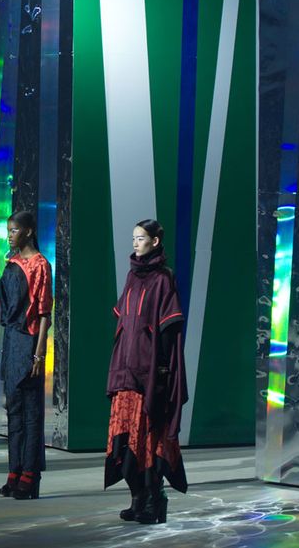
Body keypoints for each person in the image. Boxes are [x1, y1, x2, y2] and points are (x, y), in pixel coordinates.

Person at [105, 219, 188, 525]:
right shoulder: (131, 276)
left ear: (155, 241)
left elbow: (168, 328)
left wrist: (163, 371)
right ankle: (137, 497)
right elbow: (123, 324)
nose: (135, 243)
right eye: (133, 238)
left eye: (140, 238)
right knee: (124, 444)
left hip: (149, 375)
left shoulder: (164, 279)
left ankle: (156, 499)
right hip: (125, 373)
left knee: (148, 443)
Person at [0, 210, 52, 497]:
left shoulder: (41, 264)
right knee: (14, 411)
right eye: (8, 230)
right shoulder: (11, 262)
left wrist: (39, 352)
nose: (10, 235)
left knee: (31, 413)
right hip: (12, 339)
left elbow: (44, 313)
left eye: (15, 230)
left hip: (31, 342)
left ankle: (30, 476)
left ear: (28, 231)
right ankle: (14, 470)